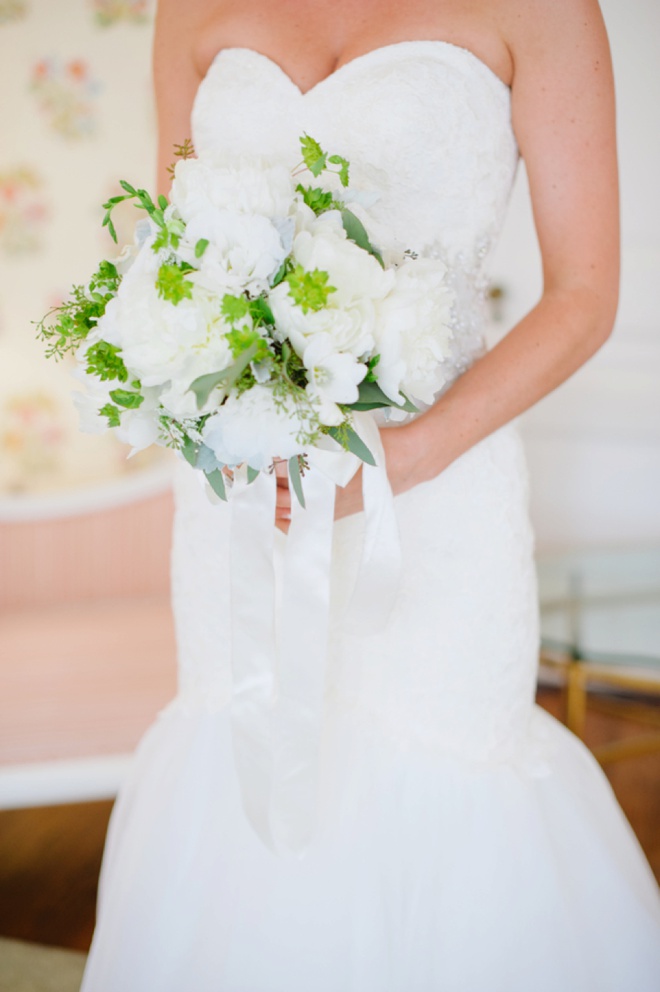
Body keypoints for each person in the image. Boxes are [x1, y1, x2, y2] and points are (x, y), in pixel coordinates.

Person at [81, 1, 660, 989]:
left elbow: (585, 296)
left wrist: (406, 456)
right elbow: (174, 256)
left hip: (438, 495)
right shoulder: (188, 9)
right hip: (240, 492)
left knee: (443, 753)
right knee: (245, 736)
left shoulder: (548, 13)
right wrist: (202, 402)